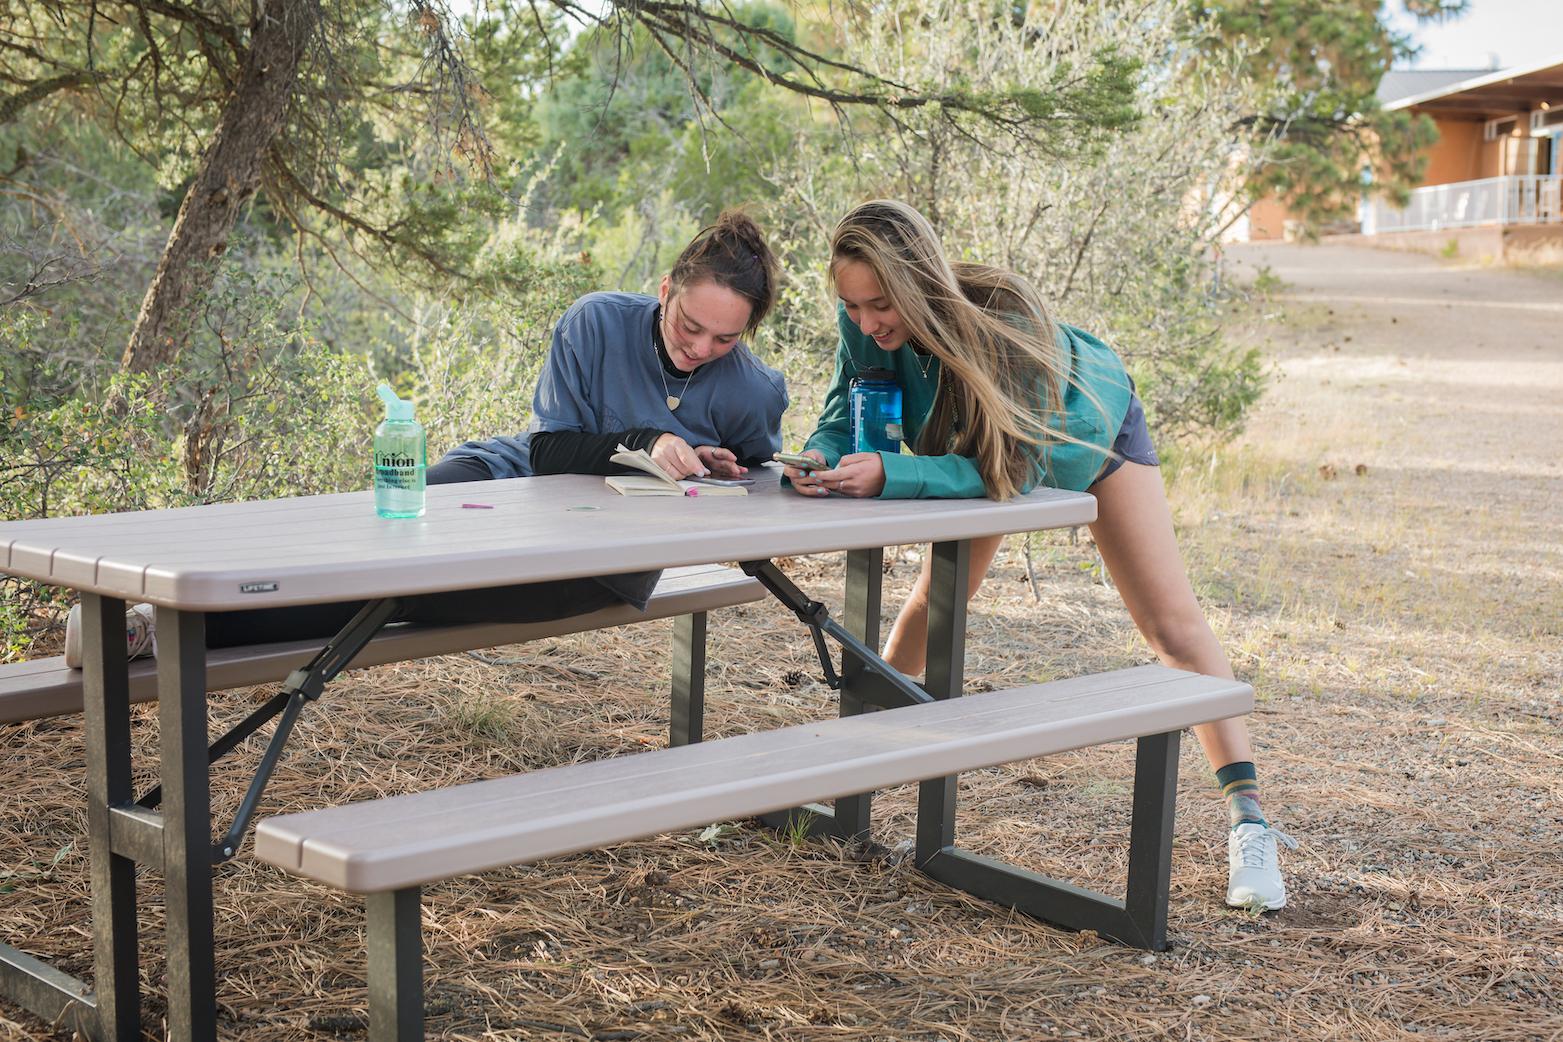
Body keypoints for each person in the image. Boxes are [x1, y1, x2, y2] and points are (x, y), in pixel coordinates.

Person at [780, 199, 1292, 911]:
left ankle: (1249, 821)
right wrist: (817, 456)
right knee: (939, 598)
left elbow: (1010, 475)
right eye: (851, 305)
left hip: (1081, 429)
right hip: (979, 442)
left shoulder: (1002, 325)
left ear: (917, 281)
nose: (866, 322)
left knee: (1168, 627)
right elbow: (844, 412)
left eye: (878, 303)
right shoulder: (864, 322)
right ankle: (851, 768)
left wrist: (890, 473)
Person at [65, 210, 787, 664]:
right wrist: (647, 437)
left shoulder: (752, 387)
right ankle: (160, 588)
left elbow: (756, 484)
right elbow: (549, 448)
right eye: (687, 325)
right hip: (505, 481)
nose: (699, 347)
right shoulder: (595, 320)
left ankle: (166, 633)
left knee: (409, 591)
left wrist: (716, 467)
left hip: (599, 563)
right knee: (369, 534)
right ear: (665, 289)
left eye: (723, 338)